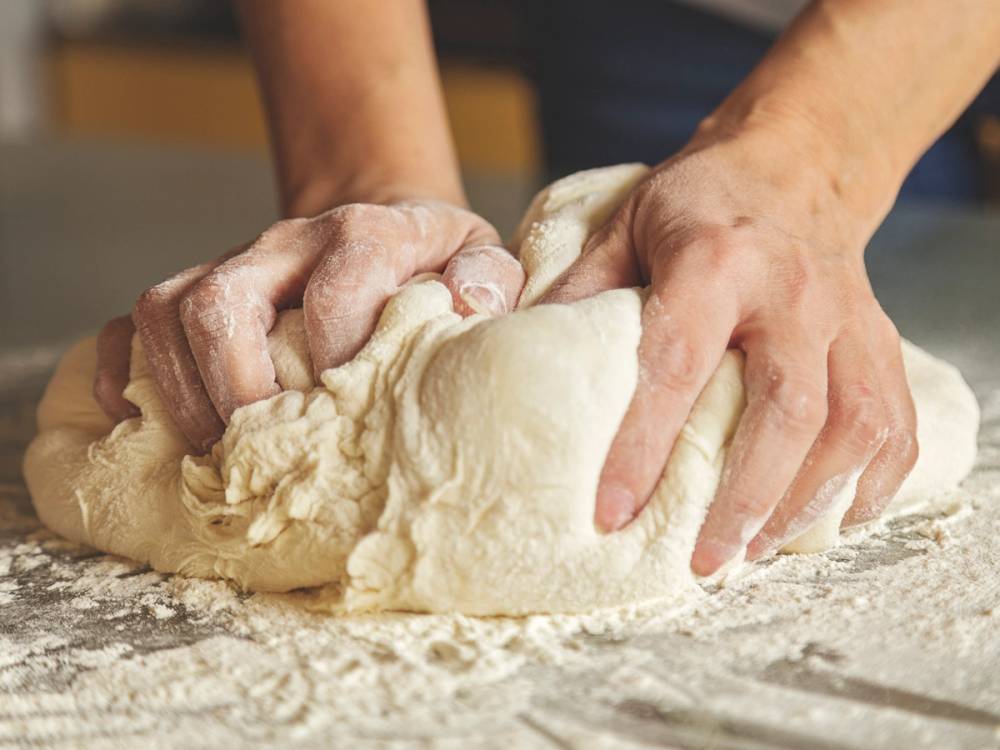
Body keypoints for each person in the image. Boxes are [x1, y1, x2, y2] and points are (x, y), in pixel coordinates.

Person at [92, 0, 1000, 577]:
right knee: (647, 301)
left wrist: (811, 160)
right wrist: (363, 177)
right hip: (657, 23)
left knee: (790, 315)